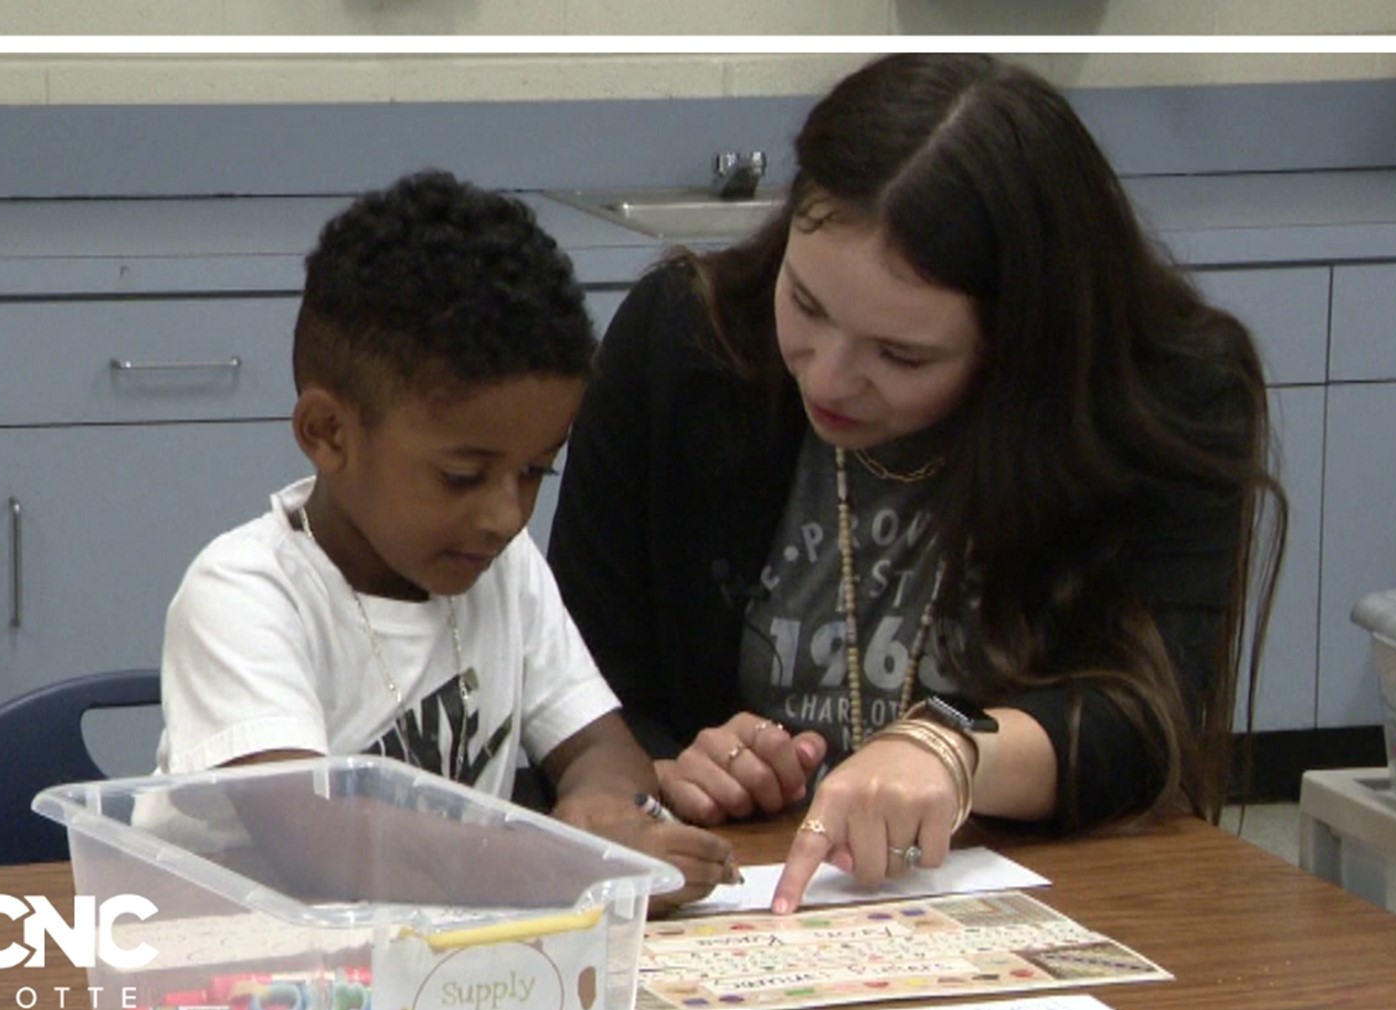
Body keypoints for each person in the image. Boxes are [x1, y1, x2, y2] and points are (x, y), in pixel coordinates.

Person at [547, 54, 1287, 913]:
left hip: (1042, 894)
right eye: (808, 304)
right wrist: (668, 766)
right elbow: (578, 677)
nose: (828, 378)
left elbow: (1150, 718)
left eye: (902, 356)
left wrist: (952, 752)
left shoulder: (1163, 397)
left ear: (1023, 342)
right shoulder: (686, 346)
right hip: (743, 902)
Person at [155, 169, 734, 910]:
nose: (504, 515)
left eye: (534, 472)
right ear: (329, 434)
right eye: (463, 475)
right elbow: (320, 840)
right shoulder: (242, 595)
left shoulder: (502, 569)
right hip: (242, 972)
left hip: (425, 970)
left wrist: (599, 810)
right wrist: (563, 864)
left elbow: (600, 746)